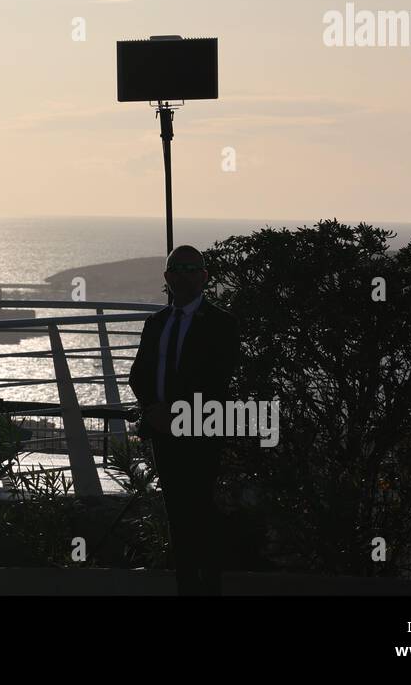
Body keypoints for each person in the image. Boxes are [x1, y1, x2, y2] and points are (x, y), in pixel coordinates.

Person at [127, 245, 238, 595]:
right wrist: (152, 409)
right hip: (162, 430)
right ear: (167, 277)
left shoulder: (221, 324)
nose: (185, 274)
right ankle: (187, 585)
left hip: (199, 428)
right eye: (178, 268)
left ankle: (210, 584)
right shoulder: (155, 324)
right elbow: (139, 374)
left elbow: (217, 378)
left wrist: (174, 411)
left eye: (193, 268)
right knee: (176, 510)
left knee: (200, 508)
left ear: (204, 276)